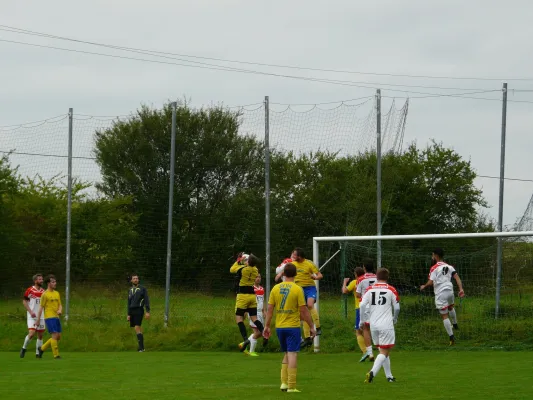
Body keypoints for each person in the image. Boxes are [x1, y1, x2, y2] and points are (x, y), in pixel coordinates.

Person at [264, 262, 316, 393]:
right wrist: (311, 326)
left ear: (283, 274)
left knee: (286, 353)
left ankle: (283, 383)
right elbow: (303, 311)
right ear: (295, 274)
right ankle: (291, 386)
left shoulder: (275, 289)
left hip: (280, 327)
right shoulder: (297, 289)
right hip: (292, 326)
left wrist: (267, 326)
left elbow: (270, 310)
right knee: (293, 354)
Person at [359, 268, 400, 384]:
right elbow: (397, 307)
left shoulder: (369, 289)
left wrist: (362, 320)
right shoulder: (391, 289)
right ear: (388, 277)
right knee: (384, 351)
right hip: (386, 324)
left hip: (373, 325)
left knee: (383, 350)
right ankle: (372, 372)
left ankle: (389, 376)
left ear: (377, 277)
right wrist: (395, 318)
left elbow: (362, 305)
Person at [420, 248, 465, 345]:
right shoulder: (449, 266)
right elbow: (457, 278)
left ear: (436, 256)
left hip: (441, 292)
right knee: (451, 307)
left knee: (444, 315)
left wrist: (424, 286)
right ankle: (455, 324)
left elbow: (431, 282)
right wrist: (461, 289)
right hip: (450, 290)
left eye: (432, 255)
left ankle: (451, 337)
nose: (432, 257)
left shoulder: (434, 268)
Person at [230, 253, 264, 351]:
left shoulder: (242, 269)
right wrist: (245, 261)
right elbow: (250, 266)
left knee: (239, 318)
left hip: (243, 296)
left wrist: (239, 260)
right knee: (254, 318)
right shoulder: (255, 270)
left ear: (248, 261)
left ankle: (245, 339)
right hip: (252, 296)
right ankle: (264, 333)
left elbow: (232, 269)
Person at [291, 247, 322, 347]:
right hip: (299, 289)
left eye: (295, 254)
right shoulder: (293, 264)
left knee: (309, 305)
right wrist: (279, 275)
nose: (293, 256)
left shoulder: (309, 263)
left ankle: (318, 328)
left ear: (299, 256)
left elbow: (320, 275)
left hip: (310, 288)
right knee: (303, 311)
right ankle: (307, 337)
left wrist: (315, 277)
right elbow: (286, 272)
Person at [35, 275, 62, 359]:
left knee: (58, 337)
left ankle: (41, 349)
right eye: (53, 282)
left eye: (55, 281)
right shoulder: (45, 294)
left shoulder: (57, 293)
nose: (55, 283)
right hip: (49, 317)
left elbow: (60, 305)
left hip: (56, 317)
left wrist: (60, 310)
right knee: (54, 335)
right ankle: (56, 355)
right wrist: (38, 319)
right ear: (48, 283)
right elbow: (40, 308)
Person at [356, 259, 377, 362]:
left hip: (366, 306)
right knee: (378, 327)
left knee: (365, 328)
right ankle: (382, 349)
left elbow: (358, 294)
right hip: (377, 306)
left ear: (364, 268)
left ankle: (370, 353)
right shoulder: (378, 277)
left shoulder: (361, 279)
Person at [342, 267, 367, 355]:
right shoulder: (367, 281)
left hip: (359, 308)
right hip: (370, 308)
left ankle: (366, 352)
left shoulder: (355, 282)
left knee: (358, 331)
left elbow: (344, 291)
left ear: (356, 274)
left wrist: (345, 282)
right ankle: (370, 350)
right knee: (367, 330)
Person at [20, 274, 45, 358]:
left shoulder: (43, 292)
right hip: (32, 316)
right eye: (39, 279)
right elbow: (24, 302)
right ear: (35, 281)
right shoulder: (30, 290)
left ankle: (38, 353)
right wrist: (30, 312)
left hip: (41, 316)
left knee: (40, 335)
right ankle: (24, 348)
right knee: (31, 333)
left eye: (42, 279)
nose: (41, 280)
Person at [242, 273, 268, 356]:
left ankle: (244, 344)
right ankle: (251, 351)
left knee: (259, 332)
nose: (258, 278)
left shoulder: (261, 289)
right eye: (256, 277)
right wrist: (245, 312)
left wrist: (264, 311)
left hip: (260, 312)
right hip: (253, 312)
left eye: (259, 277)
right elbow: (247, 301)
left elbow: (262, 301)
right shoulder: (251, 288)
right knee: (258, 332)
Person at [128, 274, 151, 352]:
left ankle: (141, 347)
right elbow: (129, 302)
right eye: (134, 278)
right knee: (137, 328)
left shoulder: (142, 289)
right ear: (131, 280)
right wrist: (128, 314)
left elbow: (146, 300)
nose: (135, 279)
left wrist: (147, 311)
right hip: (132, 310)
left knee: (137, 327)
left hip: (139, 310)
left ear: (138, 280)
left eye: (137, 278)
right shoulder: (130, 289)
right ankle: (142, 347)